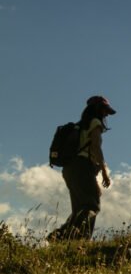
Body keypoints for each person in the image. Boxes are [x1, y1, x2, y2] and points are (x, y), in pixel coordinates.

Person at [48, 96, 115, 241]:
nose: (106, 114)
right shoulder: (95, 122)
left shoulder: (81, 125)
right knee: (92, 206)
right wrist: (104, 171)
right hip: (82, 166)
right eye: (105, 110)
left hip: (69, 168)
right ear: (97, 109)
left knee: (79, 209)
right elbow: (95, 147)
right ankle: (69, 237)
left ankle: (67, 239)